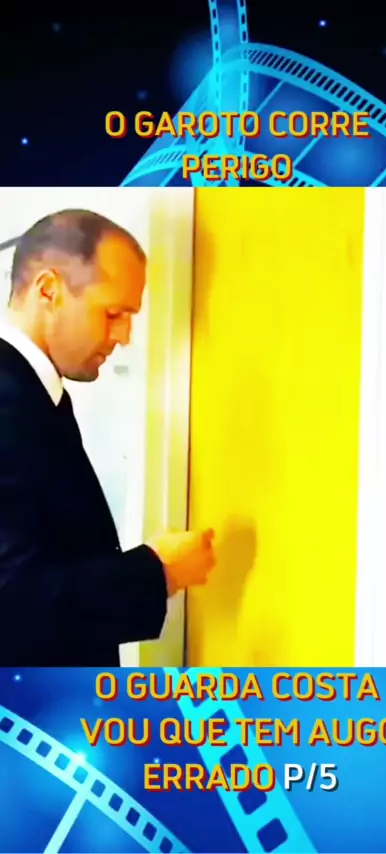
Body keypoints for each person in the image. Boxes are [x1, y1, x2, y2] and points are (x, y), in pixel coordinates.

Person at [0, 208, 215, 666]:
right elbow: (12, 602)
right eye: (113, 313)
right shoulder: (7, 398)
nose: (124, 336)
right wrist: (157, 572)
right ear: (48, 290)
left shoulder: (34, 392)